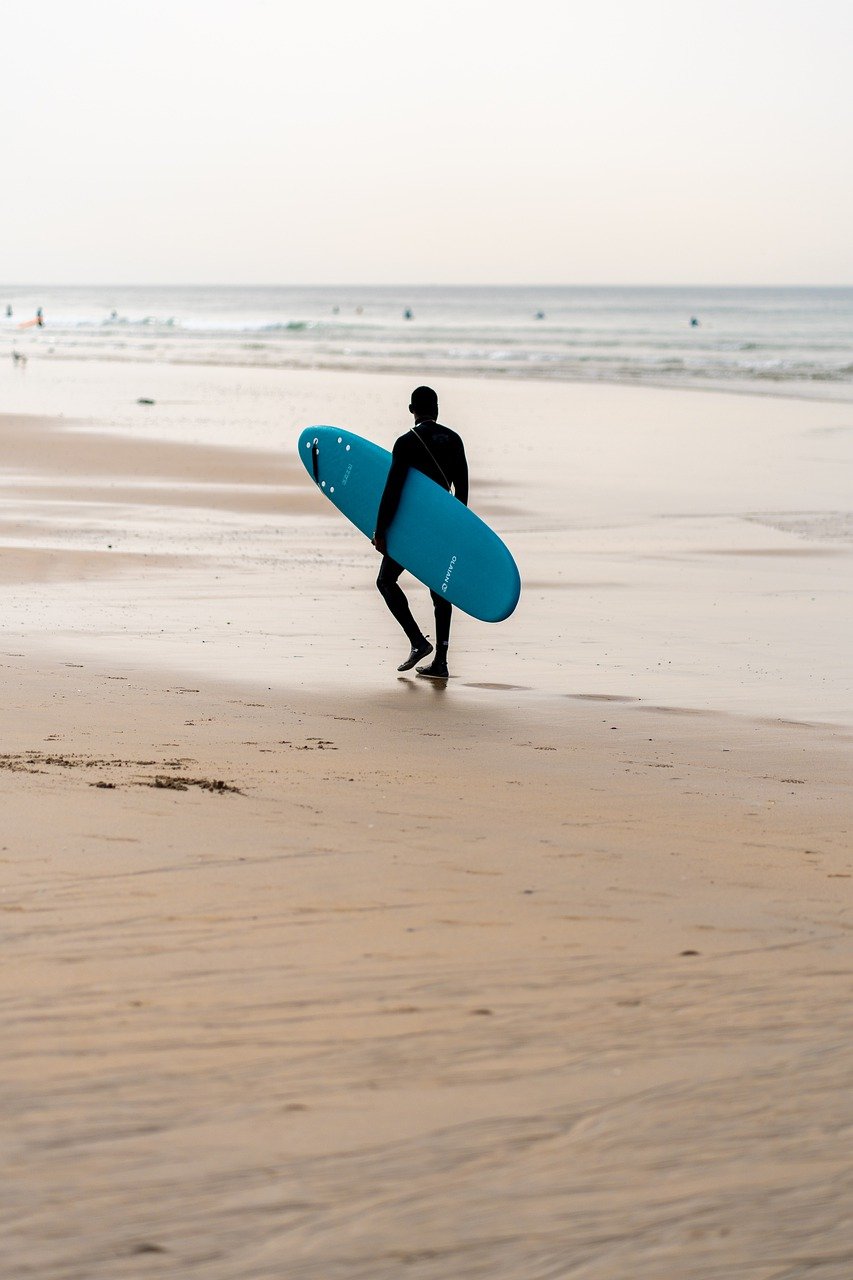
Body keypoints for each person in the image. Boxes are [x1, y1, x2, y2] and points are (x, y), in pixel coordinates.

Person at [373, 386, 468, 679]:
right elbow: (462, 489)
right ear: (436, 408)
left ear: (411, 409)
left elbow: (393, 491)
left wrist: (381, 530)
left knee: (386, 581)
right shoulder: (454, 439)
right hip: (442, 525)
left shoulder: (405, 443)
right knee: (440, 592)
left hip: (413, 527)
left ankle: (417, 641)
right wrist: (455, 525)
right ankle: (441, 660)